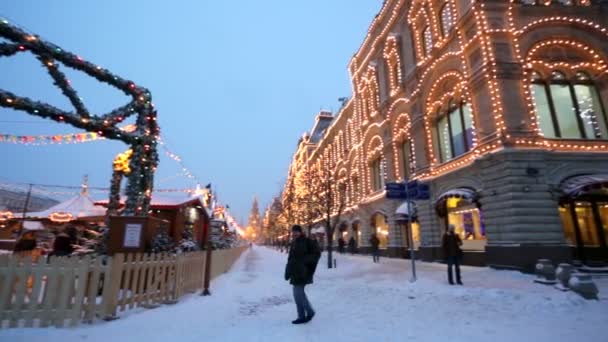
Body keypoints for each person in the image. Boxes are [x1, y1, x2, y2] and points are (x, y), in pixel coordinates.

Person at [284, 225, 321, 325]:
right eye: (293, 232)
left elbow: (317, 254)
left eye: (296, 231)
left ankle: (305, 314)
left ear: (300, 232)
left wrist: (304, 261)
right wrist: (287, 271)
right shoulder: (294, 243)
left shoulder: (307, 241)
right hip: (295, 272)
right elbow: (290, 259)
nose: (294, 233)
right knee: (299, 295)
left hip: (303, 272)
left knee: (298, 294)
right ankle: (306, 313)